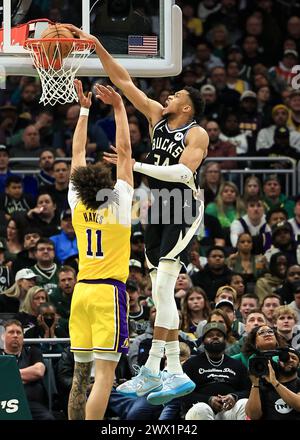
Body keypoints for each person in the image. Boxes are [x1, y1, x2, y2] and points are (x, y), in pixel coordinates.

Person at [62, 24, 209, 405]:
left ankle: (165, 368)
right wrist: (96, 47)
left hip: (182, 206)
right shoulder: (158, 115)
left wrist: (136, 166)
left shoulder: (198, 134)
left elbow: (182, 173)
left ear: (187, 107)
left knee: (162, 290)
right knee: (160, 293)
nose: (169, 94)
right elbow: (124, 81)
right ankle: (164, 370)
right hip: (156, 207)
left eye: (176, 93)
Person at [67, 80, 134, 420]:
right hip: (108, 292)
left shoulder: (77, 202)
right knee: (104, 377)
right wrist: (119, 107)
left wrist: (83, 111)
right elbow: (124, 152)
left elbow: (77, 154)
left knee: (81, 377)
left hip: (81, 292)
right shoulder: (119, 204)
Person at [183, 322, 250, 420]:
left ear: (225, 340)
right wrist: (208, 400)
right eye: (210, 336)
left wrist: (234, 396)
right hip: (202, 410)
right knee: (200, 408)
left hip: (229, 411)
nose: (215, 337)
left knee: (244, 403)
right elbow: (184, 395)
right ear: (203, 341)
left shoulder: (237, 365)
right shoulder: (191, 364)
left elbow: (248, 391)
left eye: (219, 335)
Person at [0, 319, 54, 420]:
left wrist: (7, 376)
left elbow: (38, 371)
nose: (15, 335)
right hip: (4, 402)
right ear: (2, 336)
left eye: (19, 332)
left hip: (31, 403)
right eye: (11, 332)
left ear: (23, 337)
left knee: (48, 418)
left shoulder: (33, 352)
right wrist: (25, 377)